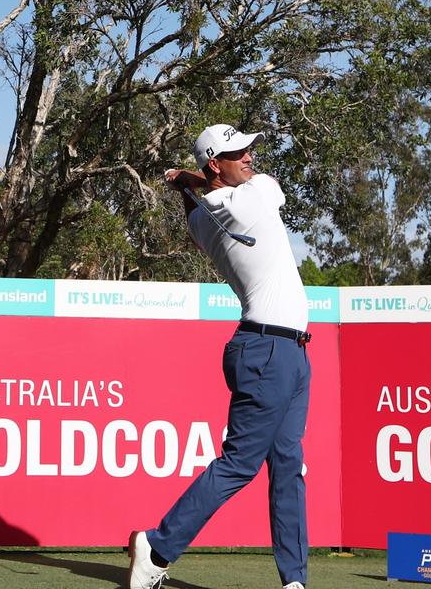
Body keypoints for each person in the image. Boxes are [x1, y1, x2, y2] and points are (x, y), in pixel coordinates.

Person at [128, 124, 312, 589]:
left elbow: (198, 204)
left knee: (287, 463)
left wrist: (188, 183)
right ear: (216, 164)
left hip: (284, 349)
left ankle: (294, 580)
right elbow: (217, 187)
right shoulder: (257, 194)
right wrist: (189, 178)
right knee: (240, 464)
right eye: (237, 152)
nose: (249, 156)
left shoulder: (201, 221)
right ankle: (157, 547)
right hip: (269, 350)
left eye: (248, 148)